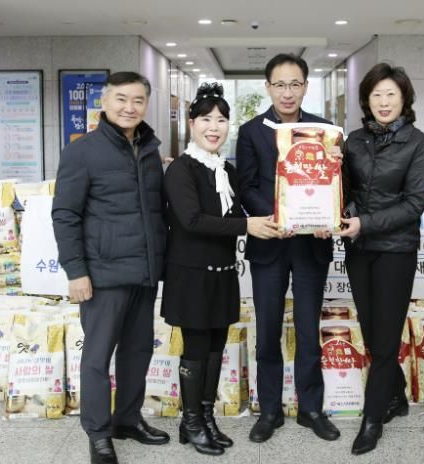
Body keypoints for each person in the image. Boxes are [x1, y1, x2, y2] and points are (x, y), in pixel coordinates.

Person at [52, 72, 169, 464]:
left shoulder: (150, 149)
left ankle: (128, 420)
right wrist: (75, 271)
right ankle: (99, 433)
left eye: (138, 100)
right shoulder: (82, 151)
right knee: (98, 357)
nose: (129, 107)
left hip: (144, 272)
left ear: (146, 104)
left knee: (138, 351)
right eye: (121, 99)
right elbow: (65, 215)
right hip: (102, 275)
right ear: (104, 102)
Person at [161, 83, 282, 456]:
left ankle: (206, 417)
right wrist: (248, 225)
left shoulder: (226, 169)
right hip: (191, 275)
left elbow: (243, 205)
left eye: (222, 120)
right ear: (191, 123)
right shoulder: (180, 169)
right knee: (197, 348)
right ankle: (190, 422)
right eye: (206, 119)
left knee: (216, 348)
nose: (214, 127)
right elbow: (193, 220)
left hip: (223, 272)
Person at [236, 53, 340, 443]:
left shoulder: (324, 131)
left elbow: (335, 182)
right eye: (279, 84)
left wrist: (329, 212)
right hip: (270, 243)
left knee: (309, 330)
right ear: (267, 88)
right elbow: (246, 186)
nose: (287, 92)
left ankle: (311, 408)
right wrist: (276, 215)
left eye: (294, 84)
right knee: (267, 331)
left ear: (305, 87)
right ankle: (270, 411)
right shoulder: (251, 131)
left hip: (312, 244)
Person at [339, 63, 424, 455]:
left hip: (396, 251)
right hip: (359, 250)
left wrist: (364, 223)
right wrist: (341, 212)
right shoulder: (354, 140)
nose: (383, 101)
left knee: (384, 340)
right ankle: (396, 394)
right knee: (372, 331)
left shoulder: (420, 144)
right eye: (376, 94)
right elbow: (344, 189)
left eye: (390, 94)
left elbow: (414, 205)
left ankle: (372, 419)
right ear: (367, 99)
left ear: (404, 99)